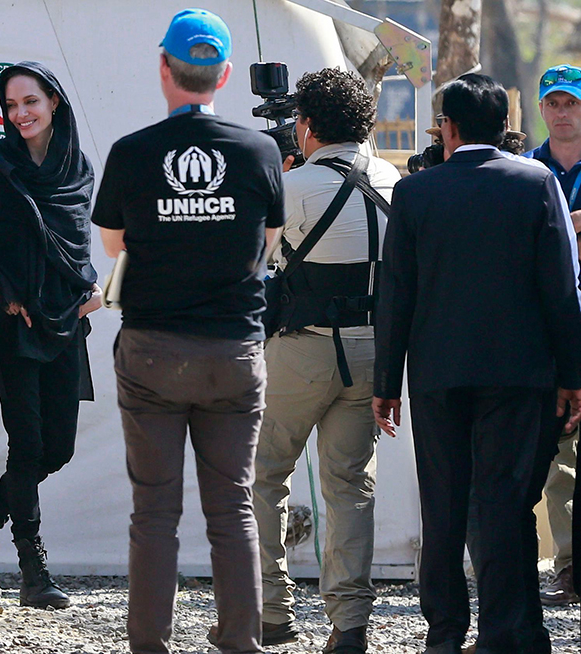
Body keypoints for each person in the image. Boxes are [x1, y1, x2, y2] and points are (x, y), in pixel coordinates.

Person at [93, 9, 285, 653]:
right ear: (225, 74)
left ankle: (149, 644)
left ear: (163, 67)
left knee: (155, 512)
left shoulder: (132, 152)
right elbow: (269, 244)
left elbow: (115, 245)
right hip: (234, 349)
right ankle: (240, 642)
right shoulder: (259, 151)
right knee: (232, 508)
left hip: (153, 349)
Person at [374, 73, 581, 654]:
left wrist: (386, 382)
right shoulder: (537, 181)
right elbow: (560, 289)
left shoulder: (415, 193)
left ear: (450, 127)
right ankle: (505, 633)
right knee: (505, 504)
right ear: (505, 126)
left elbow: (396, 295)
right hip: (520, 375)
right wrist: (573, 376)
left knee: (443, 505)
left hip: (438, 374)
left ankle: (443, 633)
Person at [252, 67, 400, 653]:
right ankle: (350, 624)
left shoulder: (294, 187)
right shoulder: (391, 178)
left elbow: (254, 262)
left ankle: (270, 610)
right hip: (371, 350)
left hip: (302, 347)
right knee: (350, 484)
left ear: (306, 125)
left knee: (262, 477)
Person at [0, 61, 101, 610]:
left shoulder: (76, 166)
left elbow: (77, 243)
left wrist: (90, 288)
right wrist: (1, 286)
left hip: (64, 321)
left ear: (53, 101)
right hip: (11, 322)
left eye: (30, 102)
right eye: (11, 106)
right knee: (28, 444)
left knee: (56, 448)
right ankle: (34, 570)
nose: (21, 114)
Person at [524, 63, 581, 606]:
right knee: (558, 456)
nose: (563, 113)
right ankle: (567, 565)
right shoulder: (524, 170)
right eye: (555, 103)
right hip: (546, 329)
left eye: (573, 103)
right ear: (540, 108)